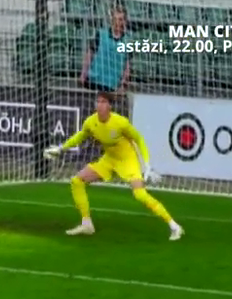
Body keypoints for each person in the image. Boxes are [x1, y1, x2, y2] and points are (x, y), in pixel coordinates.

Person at [44, 91, 183, 240]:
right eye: (98, 101)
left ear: (110, 106)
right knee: (77, 181)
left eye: (103, 102)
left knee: (140, 195)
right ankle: (87, 224)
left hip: (127, 160)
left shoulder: (120, 122)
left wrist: (147, 164)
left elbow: (139, 139)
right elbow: (80, 136)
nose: (100, 105)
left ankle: (174, 226)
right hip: (109, 159)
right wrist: (61, 148)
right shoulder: (91, 122)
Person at [78, 4, 131, 93]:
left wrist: (124, 82)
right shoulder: (101, 34)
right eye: (115, 19)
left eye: (120, 19)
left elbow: (127, 64)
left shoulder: (128, 41)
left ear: (125, 21)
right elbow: (90, 54)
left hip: (112, 84)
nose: (117, 22)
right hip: (95, 80)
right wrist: (83, 74)